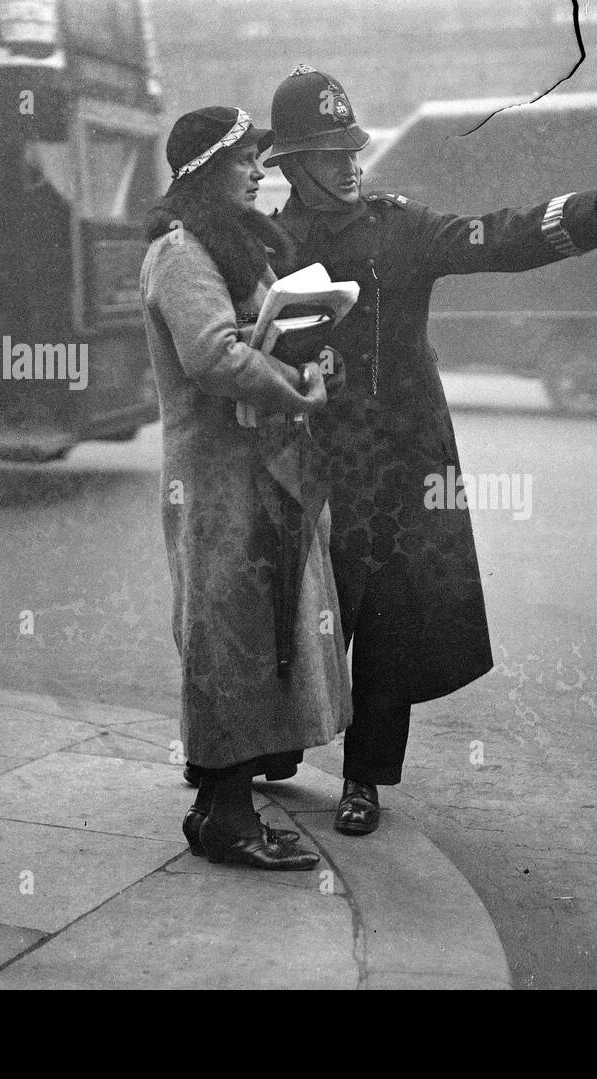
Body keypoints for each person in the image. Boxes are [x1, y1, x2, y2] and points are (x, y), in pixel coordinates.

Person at [264, 67, 597, 836]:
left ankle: (364, 778)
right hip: (310, 459)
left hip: (398, 461)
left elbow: (501, 237)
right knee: (303, 609)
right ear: (293, 166)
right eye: (332, 156)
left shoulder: (401, 228)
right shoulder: (274, 245)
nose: (352, 166)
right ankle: (279, 744)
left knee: (389, 622)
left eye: (353, 149)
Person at [141, 105, 353, 869]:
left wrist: (312, 348)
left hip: (257, 471)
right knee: (226, 636)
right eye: (246, 161)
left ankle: (217, 809)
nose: (260, 172)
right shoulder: (180, 251)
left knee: (254, 632)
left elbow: (256, 336)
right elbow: (214, 357)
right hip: (213, 478)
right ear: (206, 172)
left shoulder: (226, 243)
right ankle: (227, 818)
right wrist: (298, 383)